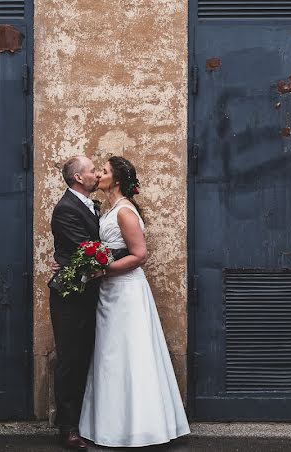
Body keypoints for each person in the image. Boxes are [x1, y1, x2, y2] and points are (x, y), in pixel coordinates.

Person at [78, 156, 190, 447]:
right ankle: (113, 425)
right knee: (111, 355)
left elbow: (139, 255)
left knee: (129, 354)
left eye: (103, 171)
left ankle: (141, 426)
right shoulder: (109, 209)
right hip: (110, 291)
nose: (99, 174)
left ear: (115, 180)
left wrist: (103, 269)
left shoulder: (124, 212)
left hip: (126, 291)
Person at [48, 155, 102, 450]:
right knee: (70, 360)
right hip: (69, 296)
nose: (96, 173)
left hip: (90, 291)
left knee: (85, 359)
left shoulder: (92, 205)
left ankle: (86, 421)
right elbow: (89, 249)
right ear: (79, 178)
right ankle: (66, 428)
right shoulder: (66, 209)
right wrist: (131, 253)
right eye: (93, 170)